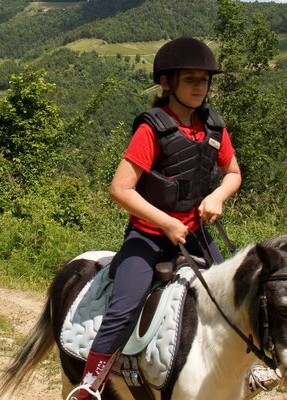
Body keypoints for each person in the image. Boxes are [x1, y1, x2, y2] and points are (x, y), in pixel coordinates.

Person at [74, 37, 242, 399]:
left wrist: (216, 196)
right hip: (149, 236)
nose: (200, 87)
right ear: (167, 83)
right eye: (191, 80)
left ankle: (244, 371)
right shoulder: (152, 129)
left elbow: (233, 172)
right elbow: (120, 189)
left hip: (195, 234)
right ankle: (89, 385)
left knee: (232, 298)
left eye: (205, 80)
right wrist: (165, 222)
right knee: (125, 307)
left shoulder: (213, 126)